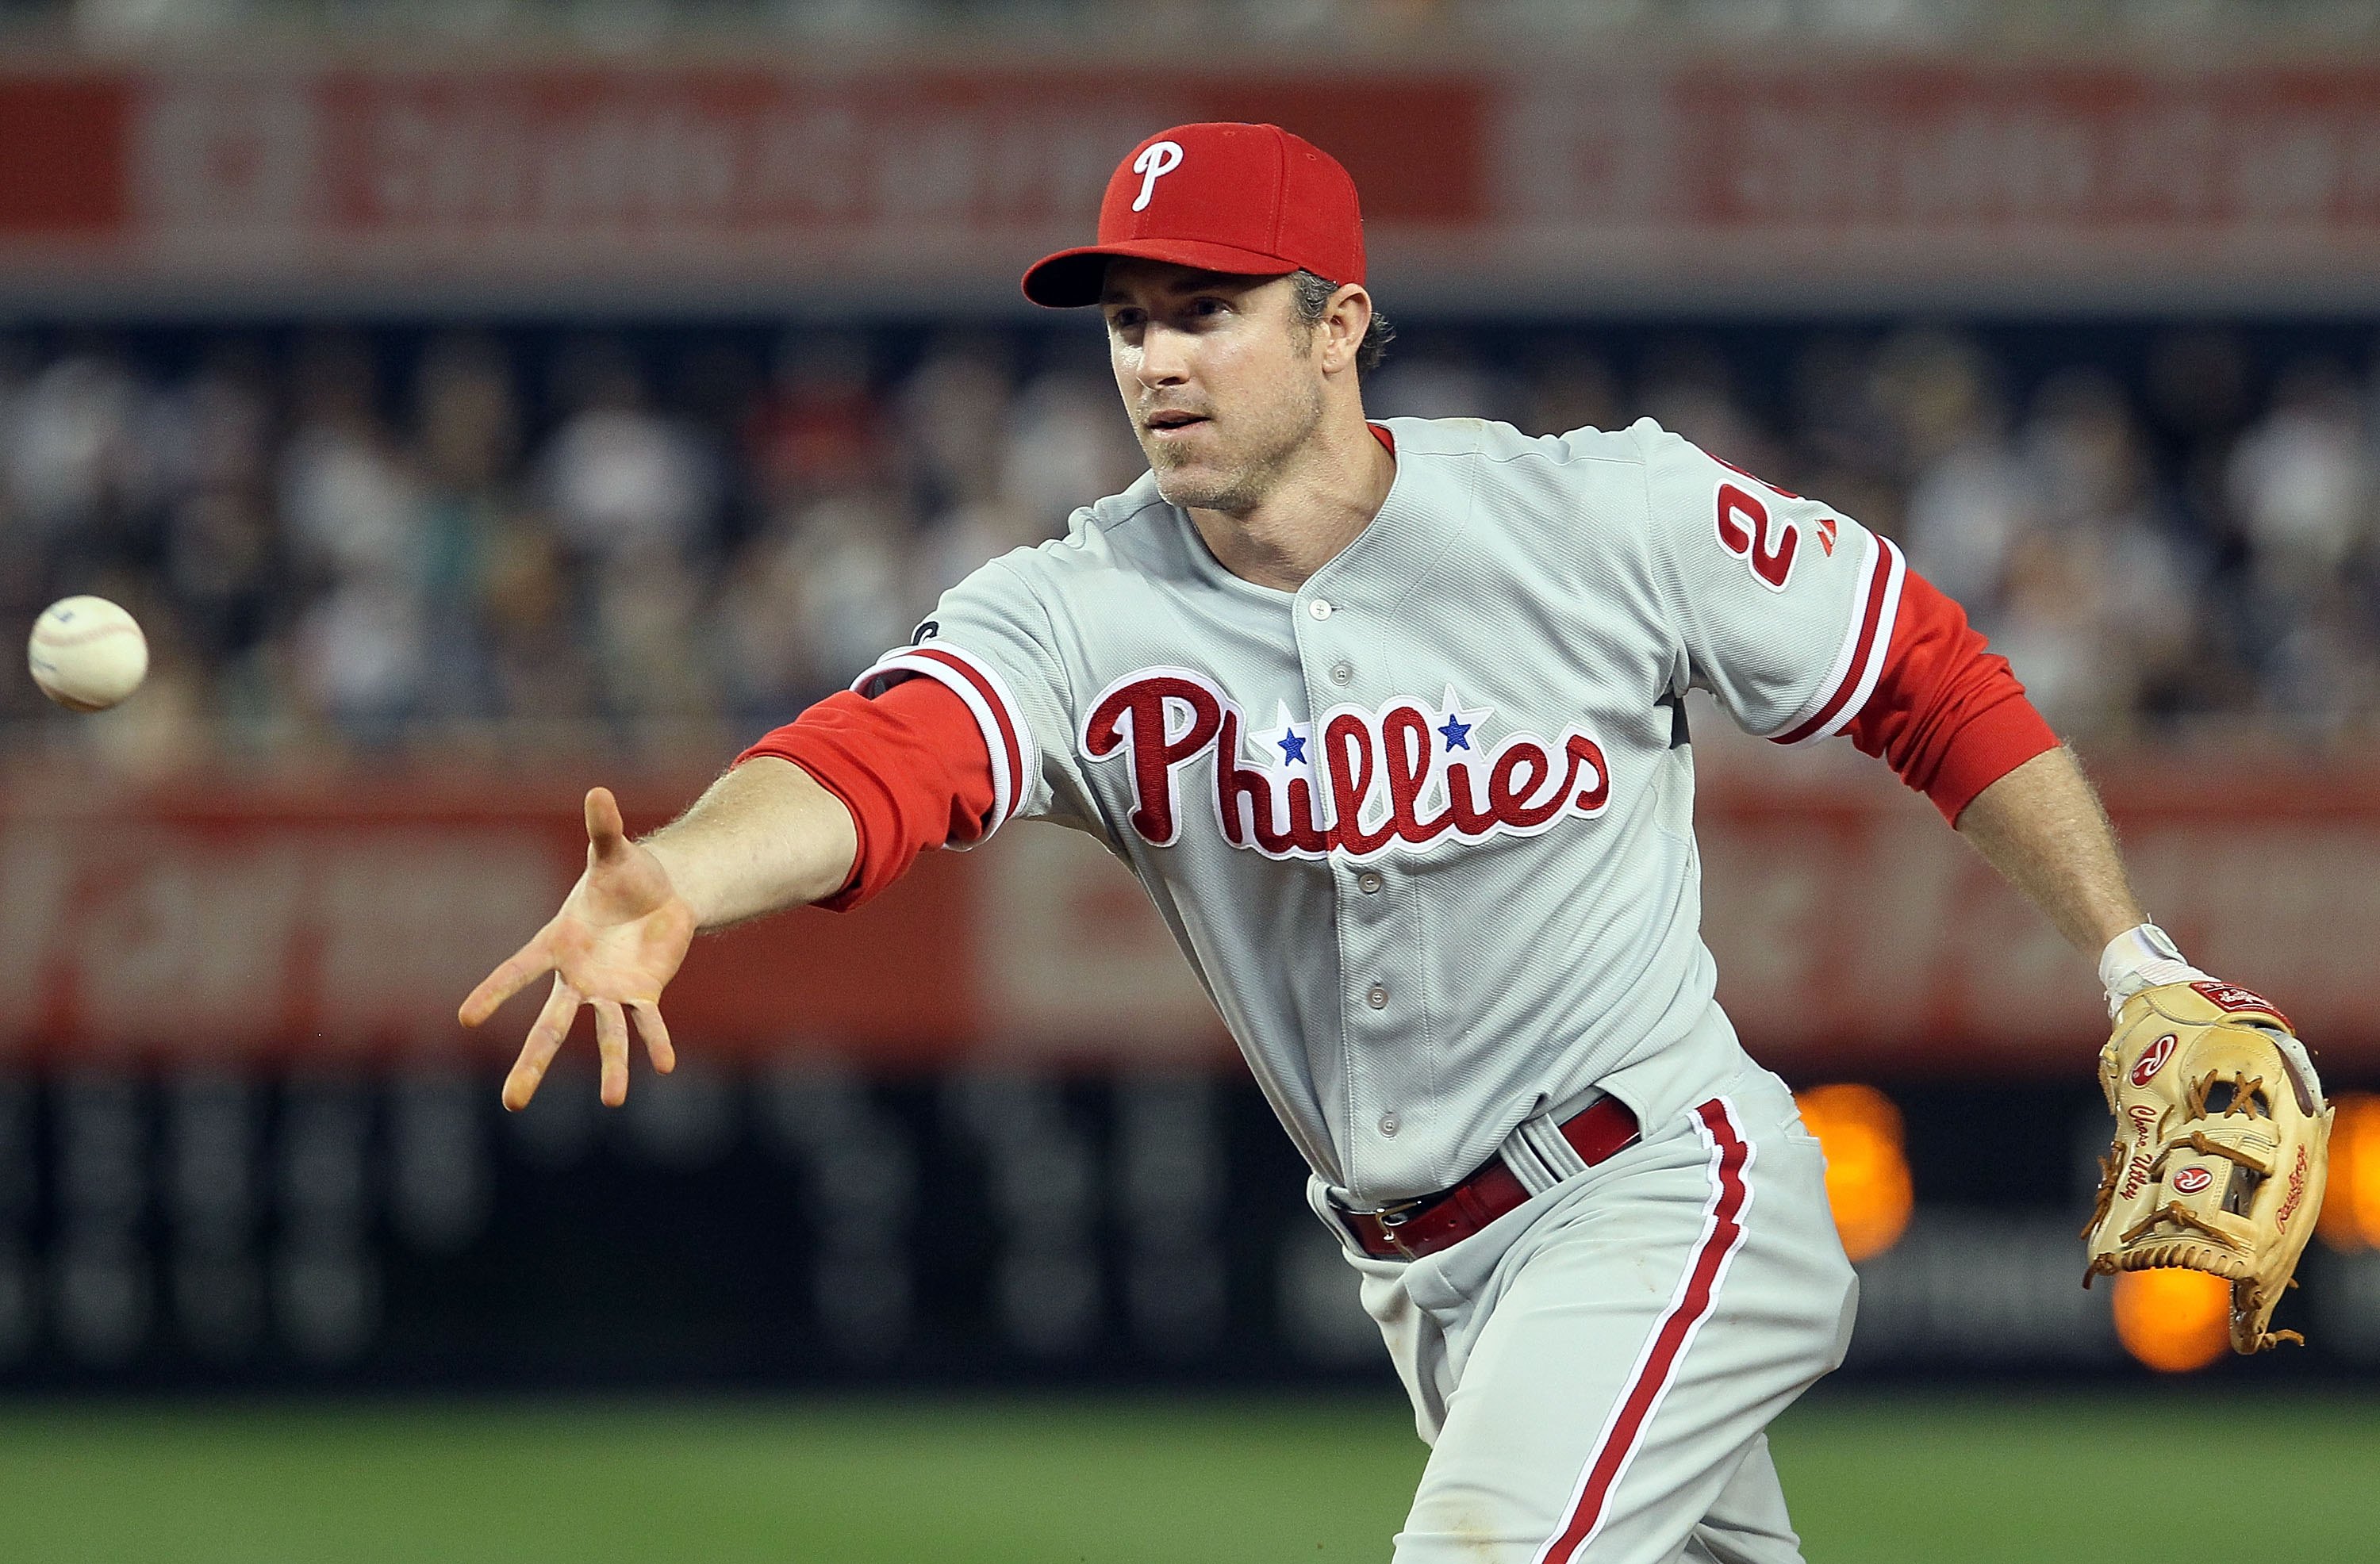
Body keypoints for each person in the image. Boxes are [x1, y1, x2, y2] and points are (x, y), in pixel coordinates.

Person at [461, 123, 2243, 1563]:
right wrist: (686, 868)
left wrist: (2132, 960)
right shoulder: (1077, 611)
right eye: (1127, 319)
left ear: (1338, 325)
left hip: (1664, 1189)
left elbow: (1923, 672)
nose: (1155, 356)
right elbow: (883, 758)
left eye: (1206, 306)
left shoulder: (1597, 514)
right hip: (1426, 1281)